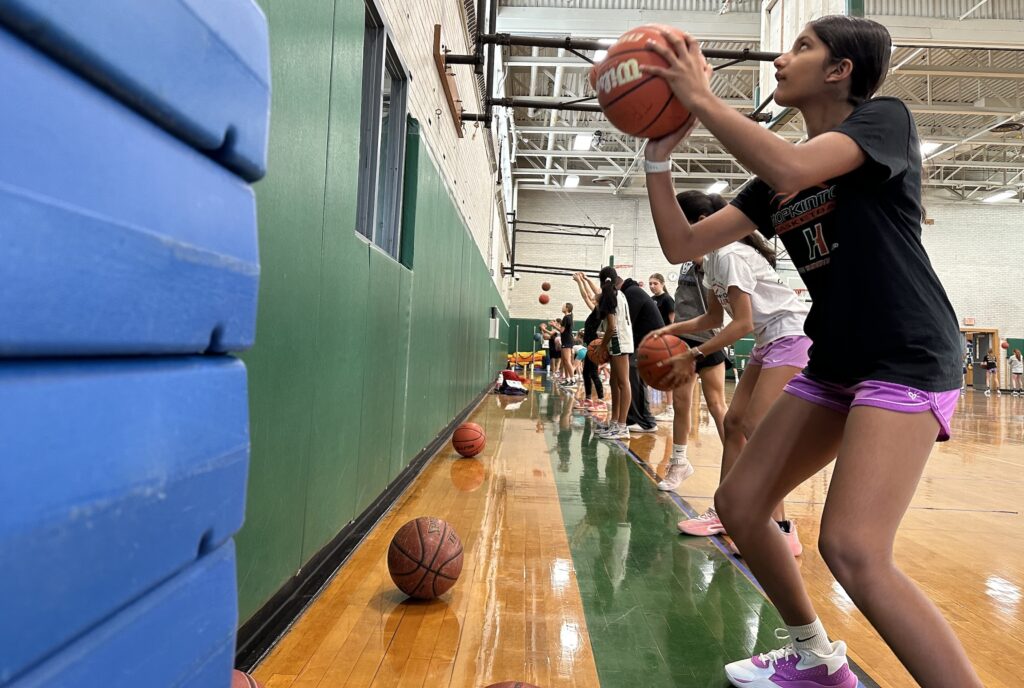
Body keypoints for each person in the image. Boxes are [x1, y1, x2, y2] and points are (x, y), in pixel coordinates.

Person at [641, 14, 979, 687]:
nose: (781, 57)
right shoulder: (775, 184)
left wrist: (703, 98)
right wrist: (657, 154)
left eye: (801, 46)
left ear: (839, 70)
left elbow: (794, 160)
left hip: (906, 354)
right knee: (739, 504)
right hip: (837, 362)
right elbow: (683, 244)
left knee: (852, 548)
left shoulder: (885, 120)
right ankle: (818, 660)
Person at [651, 193, 748, 492]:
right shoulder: (688, 261)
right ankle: (679, 462)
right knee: (681, 404)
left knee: (717, 405)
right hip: (684, 339)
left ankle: (739, 466)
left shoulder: (713, 256)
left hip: (709, 339)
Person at [595, 266, 633, 441]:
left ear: (602, 281)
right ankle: (615, 421)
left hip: (619, 341)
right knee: (614, 381)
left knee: (623, 383)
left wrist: (602, 346)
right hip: (621, 340)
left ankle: (622, 426)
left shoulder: (610, 296)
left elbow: (611, 327)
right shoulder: (619, 294)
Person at [571, 273, 607, 410]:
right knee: (587, 373)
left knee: (593, 373)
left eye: (596, 296)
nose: (593, 296)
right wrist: (584, 280)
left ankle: (602, 401)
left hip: (595, 346)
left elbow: (588, 295)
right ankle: (588, 400)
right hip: (590, 346)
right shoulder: (596, 309)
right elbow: (591, 293)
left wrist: (580, 281)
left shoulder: (599, 311)